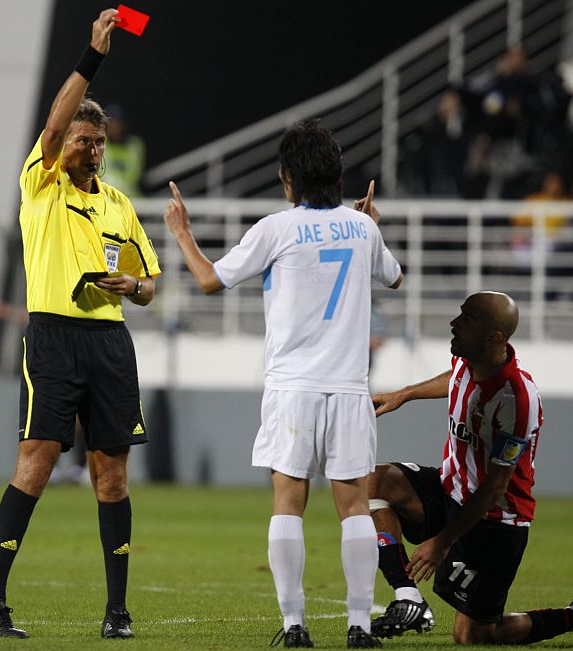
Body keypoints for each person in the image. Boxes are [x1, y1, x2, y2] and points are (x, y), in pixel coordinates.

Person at [164, 120, 403, 649]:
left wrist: (181, 232)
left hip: (293, 389)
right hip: (349, 388)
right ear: (336, 174)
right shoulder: (363, 229)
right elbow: (395, 276)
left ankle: (295, 626)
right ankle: (360, 627)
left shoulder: (276, 228)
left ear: (287, 177)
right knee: (355, 509)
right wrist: (370, 224)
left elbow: (209, 280)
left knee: (288, 505)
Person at [0, 8, 160, 640]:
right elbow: (54, 123)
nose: (92, 150)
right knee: (37, 461)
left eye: (98, 142)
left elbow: (149, 284)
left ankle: (117, 613)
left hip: (109, 340)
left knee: (113, 474)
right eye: (84, 141)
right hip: (53, 335)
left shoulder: (119, 205)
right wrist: (93, 56)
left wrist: (133, 287)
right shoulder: (42, 183)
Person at [366, 291, 573, 646]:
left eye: (466, 319)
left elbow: (495, 487)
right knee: (373, 481)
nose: (454, 324)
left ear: (494, 337)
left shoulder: (516, 399)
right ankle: (409, 599)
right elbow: (455, 376)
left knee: (474, 635)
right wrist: (403, 394)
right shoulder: (469, 361)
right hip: (450, 490)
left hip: (494, 521)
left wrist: (442, 542)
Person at [99, 103, 145, 197]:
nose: (114, 126)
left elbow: (133, 176)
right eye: (111, 123)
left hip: (131, 197)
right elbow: (103, 175)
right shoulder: (99, 143)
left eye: (117, 122)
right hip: (105, 196)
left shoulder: (134, 145)